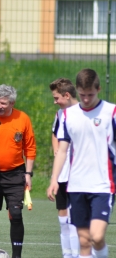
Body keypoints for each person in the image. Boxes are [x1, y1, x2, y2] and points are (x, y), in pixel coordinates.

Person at [47, 69, 116, 258]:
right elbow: (62, 150)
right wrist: (54, 179)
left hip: (103, 185)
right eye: (83, 95)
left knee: (97, 236)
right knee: (84, 241)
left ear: (99, 89)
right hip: (76, 185)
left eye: (91, 95)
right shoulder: (68, 115)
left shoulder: (111, 112)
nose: (86, 99)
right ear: (77, 90)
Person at [0, 84, 37, 258]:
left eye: (3, 103)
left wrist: (28, 174)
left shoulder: (22, 119)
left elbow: (30, 148)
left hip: (16, 173)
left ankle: (17, 256)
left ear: (12, 103)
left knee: (15, 214)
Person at [49, 78, 79, 258]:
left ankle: (78, 254)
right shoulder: (60, 115)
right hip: (63, 172)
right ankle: (67, 255)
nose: (55, 101)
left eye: (57, 97)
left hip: (79, 172)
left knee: (76, 217)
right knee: (63, 216)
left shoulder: (84, 113)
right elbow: (55, 133)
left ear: (67, 95)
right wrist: (57, 151)